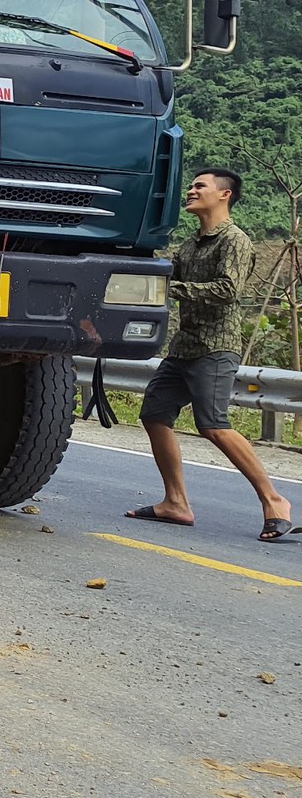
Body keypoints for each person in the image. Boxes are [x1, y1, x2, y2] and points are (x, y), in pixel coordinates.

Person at [127, 168, 294, 541]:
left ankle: (274, 501)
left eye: (199, 185)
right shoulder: (190, 245)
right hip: (184, 348)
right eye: (191, 185)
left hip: (216, 347)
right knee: (154, 414)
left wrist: (174, 288)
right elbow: (163, 274)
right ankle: (176, 502)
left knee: (213, 424)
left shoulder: (234, 240)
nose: (191, 190)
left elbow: (227, 289)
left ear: (224, 195)